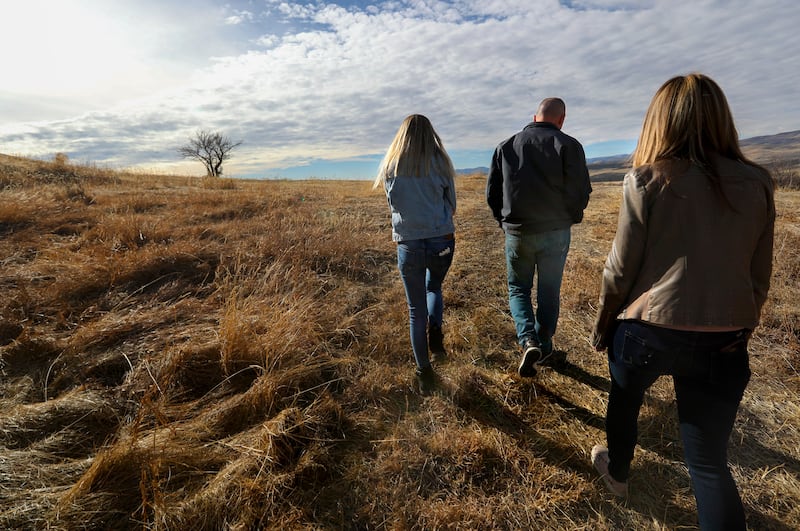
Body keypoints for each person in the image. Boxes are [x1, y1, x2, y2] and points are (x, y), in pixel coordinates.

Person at [590, 73, 775, 531]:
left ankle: (618, 471)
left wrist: (603, 326)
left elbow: (619, 270)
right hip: (726, 338)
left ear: (660, 121)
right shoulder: (759, 182)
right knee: (709, 462)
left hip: (649, 330)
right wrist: (741, 326)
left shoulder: (646, 179)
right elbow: (759, 273)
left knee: (625, 396)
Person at [486, 98, 592, 377]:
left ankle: (528, 340)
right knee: (548, 290)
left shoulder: (506, 146)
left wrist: (504, 222)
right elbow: (581, 190)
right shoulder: (570, 146)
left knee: (518, 288)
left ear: (535, 117)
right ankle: (543, 345)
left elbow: (493, 193)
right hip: (556, 232)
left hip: (518, 232)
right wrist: (571, 216)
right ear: (562, 119)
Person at [374, 114, 457, 394]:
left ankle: (424, 372)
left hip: (408, 243)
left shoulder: (390, 166)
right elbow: (452, 204)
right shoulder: (441, 162)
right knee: (434, 286)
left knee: (414, 310)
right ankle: (436, 330)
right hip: (441, 239)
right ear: (430, 134)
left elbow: (392, 205)